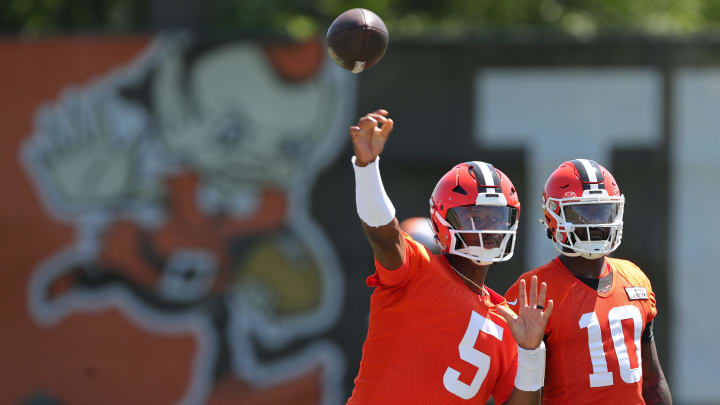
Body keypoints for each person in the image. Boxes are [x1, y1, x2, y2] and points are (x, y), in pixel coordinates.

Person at [346, 109, 553, 405]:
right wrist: (366, 168)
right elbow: (383, 233)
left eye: (496, 218)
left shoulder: (508, 320)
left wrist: (532, 353)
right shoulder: (418, 270)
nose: (489, 229)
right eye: (474, 218)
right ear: (443, 222)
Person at [505, 159, 672, 404]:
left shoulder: (634, 278)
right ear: (553, 216)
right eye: (583, 214)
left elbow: (652, 380)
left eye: (602, 212)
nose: (595, 224)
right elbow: (514, 395)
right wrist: (530, 351)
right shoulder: (534, 289)